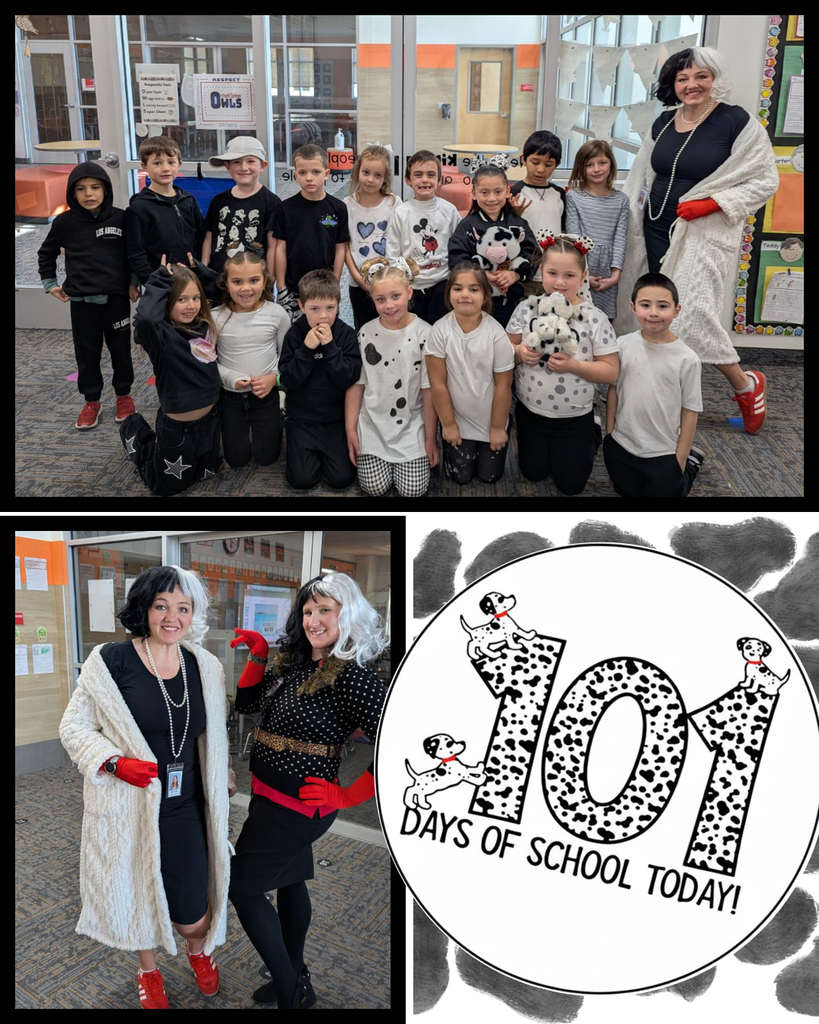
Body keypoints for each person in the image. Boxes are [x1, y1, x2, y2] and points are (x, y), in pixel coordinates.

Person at [59, 565, 234, 1010]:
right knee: (136, 893)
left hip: (186, 804)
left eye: (183, 608)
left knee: (193, 910)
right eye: (161, 606)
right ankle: (148, 971)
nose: (172, 617)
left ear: (193, 614)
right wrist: (114, 763)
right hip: (129, 804)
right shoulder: (111, 661)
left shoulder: (204, 665)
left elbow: (214, 738)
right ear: (145, 609)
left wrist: (224, 778)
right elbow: (74, 726)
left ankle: (198, 950)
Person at [228, 571, 388, 1009]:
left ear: (347, 615)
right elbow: (246, 704)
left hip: (299, 810)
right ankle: (298, 974)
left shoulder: (353, 677)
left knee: (242, 888)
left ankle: (289, 988)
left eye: (325, 610)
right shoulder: (298, 665)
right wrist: (259, 654)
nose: (313, 620)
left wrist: (348, 796)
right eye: (308, 610)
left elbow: (399, 744)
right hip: (268, 797)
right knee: (290, 879)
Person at [617, 46, 779, 434]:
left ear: (714, 79)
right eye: (683, 78)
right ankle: (655, 394)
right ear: (673, 84)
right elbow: (641, 175)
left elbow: (765, 179)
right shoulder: (663, 122)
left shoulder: (735, 121)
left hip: (700, 235)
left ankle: (746, 385)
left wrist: (712, 204)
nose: (692, 85)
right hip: (653, 229)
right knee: (650, 312)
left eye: (701, 76)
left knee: (692, 316)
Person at [507, 235, 619, 494]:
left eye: (569, 275)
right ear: (541, 272)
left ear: (583, 276)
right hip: (530, 412)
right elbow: (504, 351)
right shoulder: (526, 309)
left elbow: (611, 372)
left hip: (574, 418)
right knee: (533, 473)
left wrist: (574, 366)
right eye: (552, 273)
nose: (559, 282)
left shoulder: (595, 318)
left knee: (570, 487)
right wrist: (520, 353)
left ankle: (593, 430)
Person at [37, 162, 140, 430]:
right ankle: (92, 400)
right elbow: (46, 253)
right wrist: (50, 283)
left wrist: (133, 282)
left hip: (116, 299)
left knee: (121, 351)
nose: (89, 194)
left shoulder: (121, 218)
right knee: (87, 354)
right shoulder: (64, 223)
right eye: (81, 189)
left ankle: (123, 396)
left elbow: (133, 253)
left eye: (95, 187)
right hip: (82, 302)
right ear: (73, 193)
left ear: (106, 190)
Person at [120, 255, 222, 495]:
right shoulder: (161, 336)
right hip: (177, 429)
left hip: (210, 421)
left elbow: (223, 292)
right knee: (166, 488)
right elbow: (145, 319)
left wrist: (199, 271)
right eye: (181, 299)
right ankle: (137, 433)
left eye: (195, 298)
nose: (191, 305)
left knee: (207, 474)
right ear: (166, 301)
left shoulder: (204, 324)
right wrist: (159, 281)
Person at [604, 272, 704, 497]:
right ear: (633, 307)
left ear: (676, 310)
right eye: (645, 305)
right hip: (622, 444)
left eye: (663, 306)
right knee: (625, 491)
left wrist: (680, 459)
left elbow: (690, 411)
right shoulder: (622, 345)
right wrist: (609, 434)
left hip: (663, 452)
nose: (653, 313)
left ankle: (691, 464)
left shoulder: (687, 359)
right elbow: (614, 390)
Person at [345, 255, 438, 496]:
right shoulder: (365, 333)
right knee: (374, 487)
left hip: (411, 424)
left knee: (413, 490)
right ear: (372, 299)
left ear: (409, 292)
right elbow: (357, 385)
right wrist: (351, 430)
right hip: (373, 425)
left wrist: (431, 438)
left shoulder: (426, 334)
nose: (389, 305)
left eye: (396, 296)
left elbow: (429, 390)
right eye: (380, 299)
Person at [425, 263, 514, 485]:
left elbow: (503, 386)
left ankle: (502, 427)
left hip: (491, 419)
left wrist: (497, 428)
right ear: (449, 294)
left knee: (488, 477)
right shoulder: (439, 331)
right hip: (456, 420)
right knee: (460, 478)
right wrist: (448, 425)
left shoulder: (496, 334)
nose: (465, 294)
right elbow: (437, 384)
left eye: (473, 289)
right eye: (458, 288)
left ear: (485, 296)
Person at [278, 269, 361, 490]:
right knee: (301, 481)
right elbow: (289, 380)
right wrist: (306, 350)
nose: (323, 316)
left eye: (330, 308)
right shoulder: (294, 335)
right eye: (315, 309)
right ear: (302, 306)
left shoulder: (346, 335)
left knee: (341, 479)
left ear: (338, 305)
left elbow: (348, 379)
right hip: (301, 420)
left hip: (335, 420)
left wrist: (330, 348)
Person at [210, 250, 290, 468]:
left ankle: (279, 413)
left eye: (253, 280)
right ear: (226, 283)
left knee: (267, 457)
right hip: (230, 397)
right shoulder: (216, 317)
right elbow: (208, 363)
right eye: (237, 281)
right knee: (236, 459)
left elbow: (287, 356)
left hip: (266, 394)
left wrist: (274, 378)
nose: (246, 288)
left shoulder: (278, 314)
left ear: (265, 281)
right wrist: (230, 379)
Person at [447, 163, 538, 327]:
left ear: (507, 191)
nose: (491, 198)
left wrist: (515, 275)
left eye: (498, 192)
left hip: (510, 304)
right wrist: (482, 274)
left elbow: (534, 255)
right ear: (474, 193)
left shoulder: (518, 225)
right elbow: (456, 259)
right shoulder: (467, 226)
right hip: (476, 303)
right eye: (484, 192)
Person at [271, 144, 349, 322]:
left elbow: (340, 249)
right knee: (292, 333)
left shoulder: (338, 208)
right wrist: (281, 287)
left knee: (324, 330)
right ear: (295, 175)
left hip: (325, 288)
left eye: (315, 172)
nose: (309, 178)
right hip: (292, 288)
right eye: (303, 172)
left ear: (326, 174)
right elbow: (280, 248)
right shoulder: (285, 208)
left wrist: (335, 282)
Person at [385, 150, 461, 325]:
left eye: (431, 175)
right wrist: (401, 283)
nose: (425, 180)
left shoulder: (449, 211)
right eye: (418, 175)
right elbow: (393, 252)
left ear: (439, 180)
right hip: (411, 287)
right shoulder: (401, 212)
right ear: (408, 180)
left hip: (442, 284)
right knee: (413, 330)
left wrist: (455, 280)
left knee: (441, 330)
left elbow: (459, 247)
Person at [125, 136, 205, 286]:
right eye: (157, 163)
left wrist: (200, 269)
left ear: (179, 164)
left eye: (171, 162)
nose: (165, 168)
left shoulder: (188, 200)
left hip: (190, 277)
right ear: (144, 166)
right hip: (160, 281)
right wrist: (152, 282)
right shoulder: (139, 208)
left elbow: (202, 237)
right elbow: (136, 252)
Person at [564, 140, 629, 324]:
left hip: (608, 269)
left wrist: (615, 275)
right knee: (577, 317)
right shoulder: (574, 196)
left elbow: (620, 238)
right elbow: (574, 239)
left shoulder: (622, 200)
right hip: (581, 266)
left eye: (602, 163)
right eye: (589, 165)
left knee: (604, 321)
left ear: (611, 164)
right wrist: (583, 275)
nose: (596, 169)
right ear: (581, 168)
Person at [202, 136, 281, 284]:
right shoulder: (219, 200)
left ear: (262, 165)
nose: (244, 167)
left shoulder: (272, 202)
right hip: (217, 279)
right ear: (227, 166)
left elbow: (273, 246)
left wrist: (269, 279)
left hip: (252, 282)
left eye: (250, 161)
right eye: (236, 162)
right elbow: (209, 237)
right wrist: (204, 270)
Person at [343, 144, 403, 331]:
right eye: (366, 172)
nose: (370, 179)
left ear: (386, 177)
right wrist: (357, 278)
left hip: (390, 282)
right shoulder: (346, 205)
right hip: (359, 284)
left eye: (378, 175)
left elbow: (400, 241)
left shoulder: (394, 203)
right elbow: (344, 247)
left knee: (392, 326)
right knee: (364, 330)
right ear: (357, 171)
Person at [508, 130, 567, 298]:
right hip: (525, 271)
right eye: (535, 162)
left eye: (548, 165)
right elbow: (506, 231)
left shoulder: (559, 194)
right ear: (523, 159)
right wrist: (515, 214)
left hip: (554, 272)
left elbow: (563, 230)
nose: (541, 169)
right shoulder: (515, 192)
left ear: (557, 164)